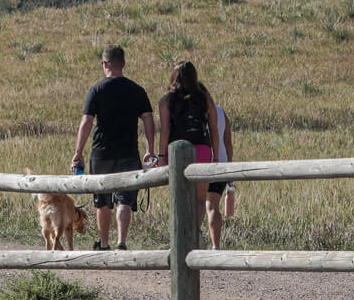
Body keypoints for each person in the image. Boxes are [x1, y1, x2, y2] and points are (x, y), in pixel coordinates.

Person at [71, 45, 156, 250]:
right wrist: (150, 149)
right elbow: (148, 120)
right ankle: (122, 242)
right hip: (128, 152)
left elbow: (87, 123)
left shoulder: (96, 89)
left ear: (104, 64)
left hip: (102, 153)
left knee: (102, 200)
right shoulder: (137, 90)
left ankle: (105, 243)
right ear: (124, 64)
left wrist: (78, 152)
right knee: (124, 199)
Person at [156, 60, 220, 237]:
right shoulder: (205, 98)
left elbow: (165, 131)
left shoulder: (166, 101)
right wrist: (215, 155)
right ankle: (194, 231)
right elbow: (214, 129)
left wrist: (161, 157)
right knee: (200, 199)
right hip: (202, 149)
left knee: (179, 197)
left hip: (176, 151)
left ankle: (181, 233)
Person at [205, 101, 235, 250]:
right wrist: (230, 166)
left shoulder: (192, 111)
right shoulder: (220, 111)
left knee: (195, 205)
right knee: (213, 205)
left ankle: (194, 241)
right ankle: (215, 245)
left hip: (200, 162)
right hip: (221, 164)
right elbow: (227, 141)